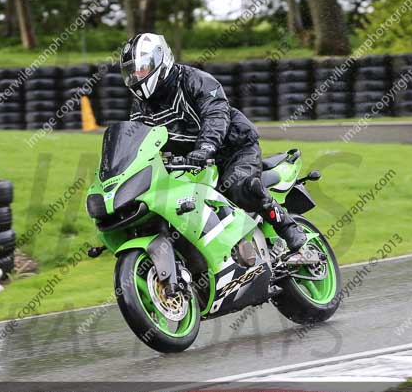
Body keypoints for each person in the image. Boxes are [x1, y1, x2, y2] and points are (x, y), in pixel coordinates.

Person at [120, 32, 306, 253]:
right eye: (131, 71)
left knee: (239, 187)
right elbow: (137, 141)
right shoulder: (140, 107)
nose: (136, 76)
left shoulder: (195, 80)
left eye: (141, 68)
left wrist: (206, 146)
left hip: (234, 149)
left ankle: (289, 230)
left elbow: (216, 114)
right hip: (189, 164)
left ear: (160, 60)